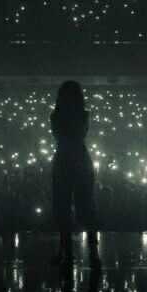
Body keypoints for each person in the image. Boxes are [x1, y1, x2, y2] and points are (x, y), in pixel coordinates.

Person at [50, 80, 101, 270]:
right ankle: (93, 253)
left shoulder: (55, 116)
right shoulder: (84, 114)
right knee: (86, 205)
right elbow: (81, 134)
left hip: (63, 158)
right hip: (81, 158)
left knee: (62, 205)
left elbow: (59, 136)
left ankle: (67, 253)